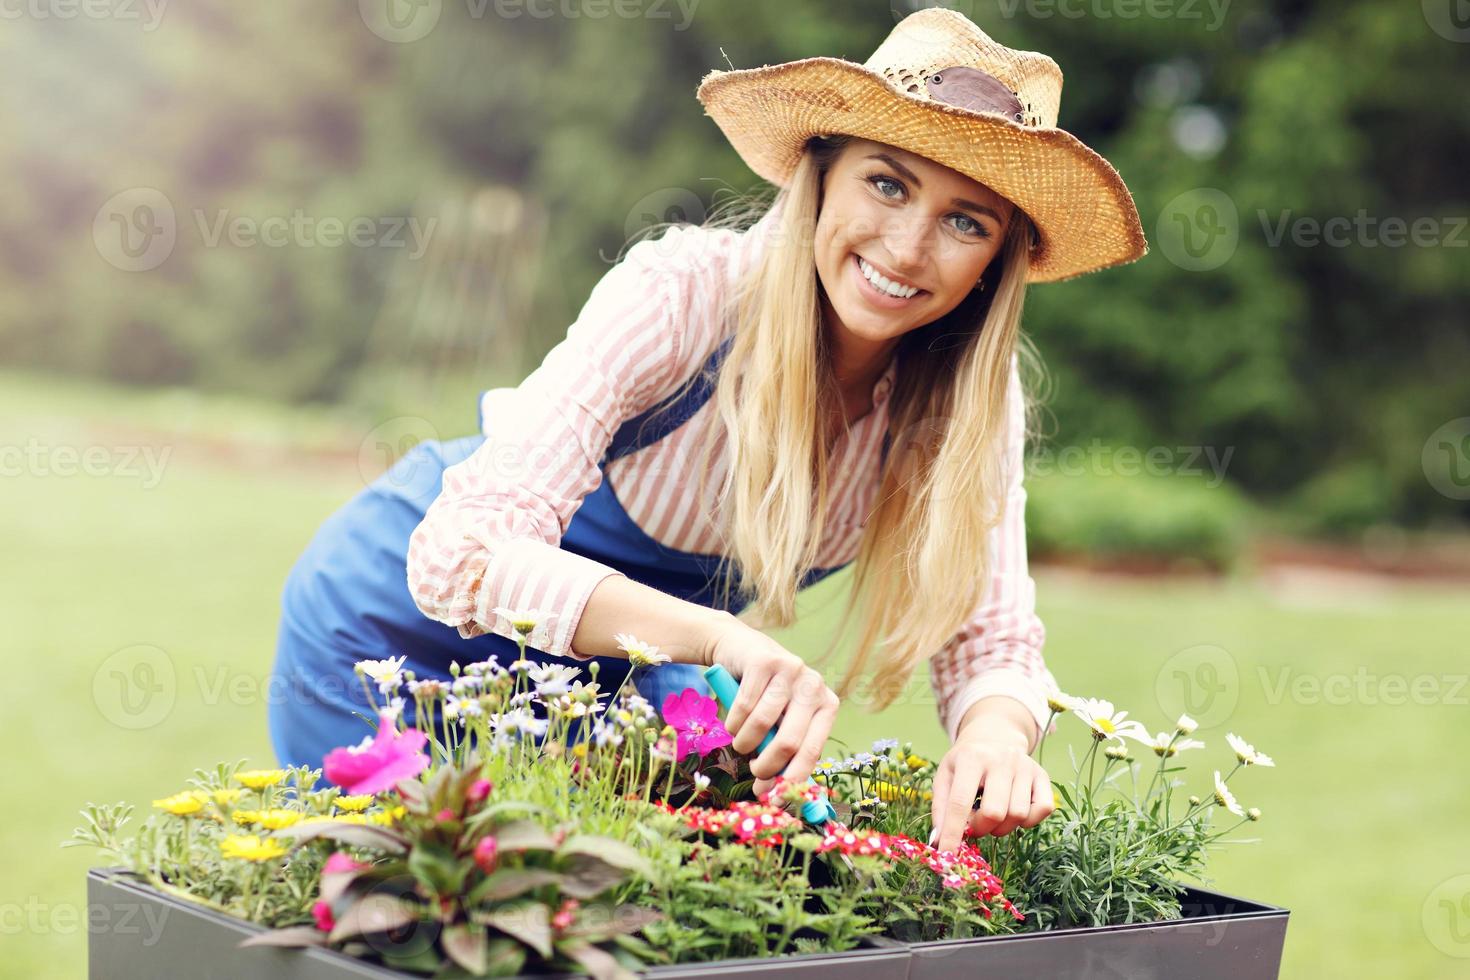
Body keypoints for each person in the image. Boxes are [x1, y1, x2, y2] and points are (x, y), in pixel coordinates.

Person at [267, 7, 1147, 852]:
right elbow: (461, 555)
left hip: (610, 690)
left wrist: (998, 735)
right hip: (391, 644)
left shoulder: (965, 410)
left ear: (999, 259)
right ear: (822, 175)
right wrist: (716, 637)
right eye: (886, 183)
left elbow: (990, 641)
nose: (910, 248)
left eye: (966, 221)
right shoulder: (685, 294)